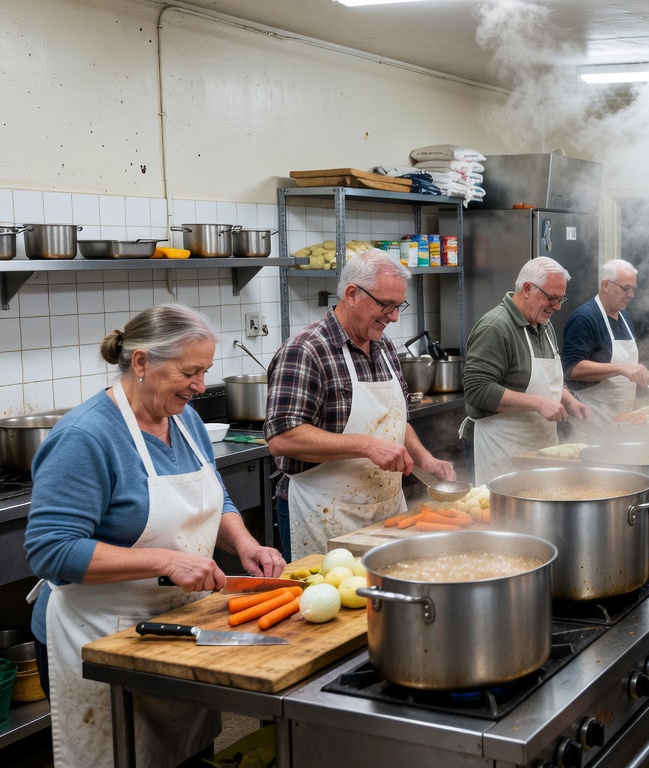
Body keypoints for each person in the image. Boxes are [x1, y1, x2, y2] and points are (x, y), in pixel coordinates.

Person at [25, 304, 285, 768]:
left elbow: (216, 498)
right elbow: (51, 550)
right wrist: (166, 562)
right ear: (142, 362)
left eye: (205, 372)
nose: (201, 387)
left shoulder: (183, 420)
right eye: (190, 371)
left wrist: (246, 544)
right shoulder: (86, 436)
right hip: (100, 636)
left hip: (174, 630)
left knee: (184, 754)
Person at [266, 248, 454, 560]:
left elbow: (396, 422)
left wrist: (425, 460)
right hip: (324, 513)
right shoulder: (306, 350)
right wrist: (367, 446)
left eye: (398, 306)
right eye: (386, 305)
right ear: (352, 293)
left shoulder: (383, 346)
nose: (393, 316)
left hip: (386, 510)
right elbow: (283, 438)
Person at [461, 256, 591, 482]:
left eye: (561, 299)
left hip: (540, 450)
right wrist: (539, 403)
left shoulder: (544, 325)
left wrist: (568, 400)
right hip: (501, 450)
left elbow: (549, 381)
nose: (557, 307)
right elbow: (477, 390)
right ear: (527, 289)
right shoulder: (495, 327)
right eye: (552, 298)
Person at [561, 259, 649, 424]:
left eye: (633, 289)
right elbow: (572, 368)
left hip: (622, 420)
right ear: (605, 285)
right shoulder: (585, 318)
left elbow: (627, 363)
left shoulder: (624, 316)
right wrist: (622, 369)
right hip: (593, 419)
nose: (631, 295)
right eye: (626, 288)